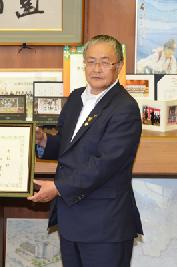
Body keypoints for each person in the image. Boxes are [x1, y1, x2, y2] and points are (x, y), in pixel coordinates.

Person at [29, 35, 143, 267]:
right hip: (72, 220)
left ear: (118, 67)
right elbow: (67, 143)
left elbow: (105, 164)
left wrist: (58, 187)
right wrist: (43, 142)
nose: (96, 69)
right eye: (91, 62)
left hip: (105, 224)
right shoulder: (76, 98)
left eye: (104, 62)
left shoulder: (125, 108)